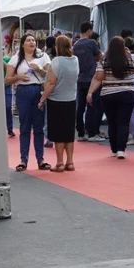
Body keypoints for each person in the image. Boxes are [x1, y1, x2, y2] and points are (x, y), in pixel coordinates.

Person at [87, 36, 134, 159]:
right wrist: (130, 56)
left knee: (112, 122)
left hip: (108, 94)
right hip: (127, 93)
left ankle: (114, 149)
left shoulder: (104, 59)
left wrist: (90, 92)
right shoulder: (128, 58)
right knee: (123, 122)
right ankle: (121, 150)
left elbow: (99, 77)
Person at [5, 34, 51, 172]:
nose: (32, 42)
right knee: (24, 126)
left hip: (38, 91)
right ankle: (23, 159)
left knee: (39, 126)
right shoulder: (16, 59)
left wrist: (39, 69)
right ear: (23, 44)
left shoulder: (43, 57)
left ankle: (40, 159)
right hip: (22, 92)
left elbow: (49, 75)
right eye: (29, 40)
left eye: (33, 40)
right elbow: (7, 79)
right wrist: (18, 77)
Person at [40, 35, 79, 171]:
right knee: (69, 132)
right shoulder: (75, 60)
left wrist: (43, 98)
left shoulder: (56, 61)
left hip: (56, 100)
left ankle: (60, 163)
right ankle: (70, 161)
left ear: (58, 47)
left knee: (58, 133)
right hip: (71, 99)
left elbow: (51, 82)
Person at [72, 23, 103, 142]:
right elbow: (99, 55)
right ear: (89, 31)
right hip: (91, 78)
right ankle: (91, 133)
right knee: (92, 106)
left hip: (80, 78)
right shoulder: (91, 43)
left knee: (80, 107)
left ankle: (80, 132)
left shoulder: (76, 44)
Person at [2, 52, 15, 138]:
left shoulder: (7, 59)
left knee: (7, 106)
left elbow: (10, 71)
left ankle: (10, 129)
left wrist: (2, 62)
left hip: (6, 87)